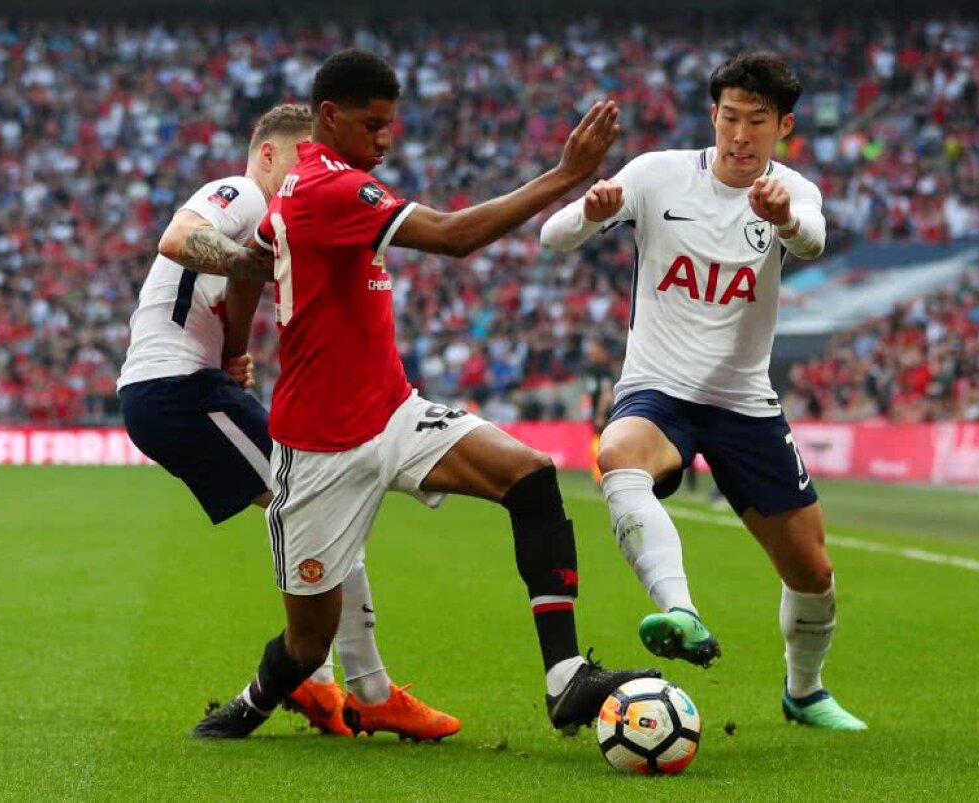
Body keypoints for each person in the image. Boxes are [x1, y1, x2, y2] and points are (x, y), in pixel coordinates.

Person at [189, 50, 657, 740]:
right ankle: (253, 704)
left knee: (530, 477)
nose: (386, 138)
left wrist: (237, 345)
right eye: (373, 125)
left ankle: (566, 680)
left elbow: (255, 260)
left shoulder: (313, 188)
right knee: (307, 644)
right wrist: (566, 175)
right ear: (330, 116)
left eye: (391, 125)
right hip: (318, 449)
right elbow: (455, 237)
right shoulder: (327, 188)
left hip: (394, 413)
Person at [540, 52, 866, 730]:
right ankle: (680, 608)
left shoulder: (793, 189)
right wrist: (592, 211)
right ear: (712, 117)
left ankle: (804, 691)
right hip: (659, 389)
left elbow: (812, 239)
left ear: (784, 126)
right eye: (729, 118)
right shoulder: (658, 174)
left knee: (812, 571)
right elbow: (552, 237)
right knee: (619, 453)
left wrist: (783, 218)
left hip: (745, 402)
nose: (740, 135)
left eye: (756, 122)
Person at [117, 103, 458, 741]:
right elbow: (176, 236)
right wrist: (261, 266)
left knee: (322, 513)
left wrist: (231, 349)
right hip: (175, 389)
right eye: (301, 157)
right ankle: (367, 690)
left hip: (184, 386)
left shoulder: (275, 209)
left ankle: (322, 680)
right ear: (268, 154)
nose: (310, 172)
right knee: (322, 505)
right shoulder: (243, 192)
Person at [584, 337, 617, 485]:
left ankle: (603, 475)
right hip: (597, 414)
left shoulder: (604, 371)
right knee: (598, 445)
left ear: (602, 352)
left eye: (594, 352)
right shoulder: (592, 370)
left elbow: (607, 393)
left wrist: (600, 414)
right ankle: (600, 475)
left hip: (605, 416)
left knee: (602, 445)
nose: (591, 354)